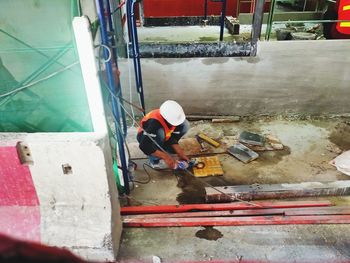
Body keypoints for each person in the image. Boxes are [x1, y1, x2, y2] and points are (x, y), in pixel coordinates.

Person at [137, 100, 190, 169]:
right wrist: (166, 157)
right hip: (146, 138)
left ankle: (166, 147)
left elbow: (170, 134)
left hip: (163, 135)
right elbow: (144, 146)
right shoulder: (154, 124)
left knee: (185, 125)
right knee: (160, 134)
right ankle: (155, 161)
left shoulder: (173, 118)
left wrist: (179, 152)